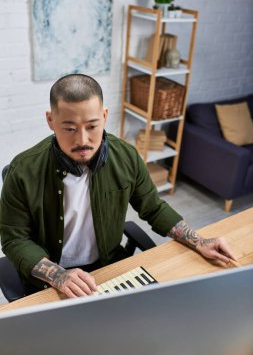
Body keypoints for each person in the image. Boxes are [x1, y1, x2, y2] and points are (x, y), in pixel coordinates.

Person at [0, 74, 236, 299]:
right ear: (51, 120)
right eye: (70, 128)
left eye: (92, 126)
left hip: (107, 267)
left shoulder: (127, 158)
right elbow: (14, 239)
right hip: (49, 277)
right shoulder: (22, 170)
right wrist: (59, 276)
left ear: (104, 116)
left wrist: (200, 241)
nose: (82, 140)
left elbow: (153, 208)